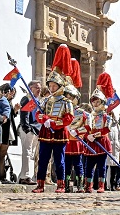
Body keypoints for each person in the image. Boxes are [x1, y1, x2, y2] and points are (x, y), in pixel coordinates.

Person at [33, 44, 75, 193]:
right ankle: (40, 184)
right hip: (45, 133)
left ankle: (61, 185)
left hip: (59, 134)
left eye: (53, 86)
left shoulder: (66, 101)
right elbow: (37, 114)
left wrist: (55, 123)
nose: (51, 88)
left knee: (60, 161)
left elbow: (68, 119)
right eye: (50, 86)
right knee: (43, 160)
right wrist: (43, 119)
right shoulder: (45, 100)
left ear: (59, 86)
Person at [84, 86, 111, 193]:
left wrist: (94, 136)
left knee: (101, 166)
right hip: (91, 143)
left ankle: (101, 185)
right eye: (93, 102)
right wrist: (87, 136)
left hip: (101, 142)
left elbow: (106, 129)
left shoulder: (106, 116)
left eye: (97, 101)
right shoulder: (88, 116)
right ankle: (88, 185)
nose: (95, 104)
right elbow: (85, 128)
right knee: (89, 166)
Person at [17, 80, 41, 185]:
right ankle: (25, 176)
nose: (39, 89)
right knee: (27, 152)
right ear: (30, 88)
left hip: (36, 129)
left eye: (39, 87)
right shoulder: (27, 99)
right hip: (29, 129)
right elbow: (24, 114)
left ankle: (24, 175)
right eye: (36, 87)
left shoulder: (37, 101)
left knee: (30, 154)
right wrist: (27, 129)